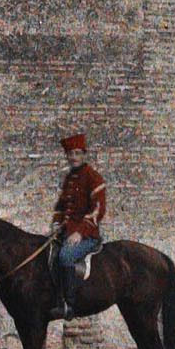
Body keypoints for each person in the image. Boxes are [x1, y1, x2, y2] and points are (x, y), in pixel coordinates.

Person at [51, 132, 106, 312]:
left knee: (65, 256)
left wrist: (79, 232)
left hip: (87, 235)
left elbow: (98, 210)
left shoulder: (93, 177)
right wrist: (56, 225)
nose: (73, 157)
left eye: (77, 153)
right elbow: (61, 207)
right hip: (66, 232)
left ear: (83, 154)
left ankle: (69, 304)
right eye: (70, 154)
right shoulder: (69, 178)